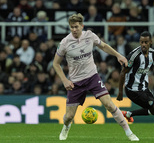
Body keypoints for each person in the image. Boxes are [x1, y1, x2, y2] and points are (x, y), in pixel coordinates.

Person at [53, 13, 139, 141]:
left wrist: (118, 55)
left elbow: (103, 46)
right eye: (72, 27)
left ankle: (129, 132)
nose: (74, 30)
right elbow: (56, 63)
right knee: (69, 116)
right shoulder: (65, 43)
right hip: (75, 82)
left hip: (92, 77)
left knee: (109, 105)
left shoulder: (90, 36)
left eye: (76, 27)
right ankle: (66, 127)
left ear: (82, 26)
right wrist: (65, 80)